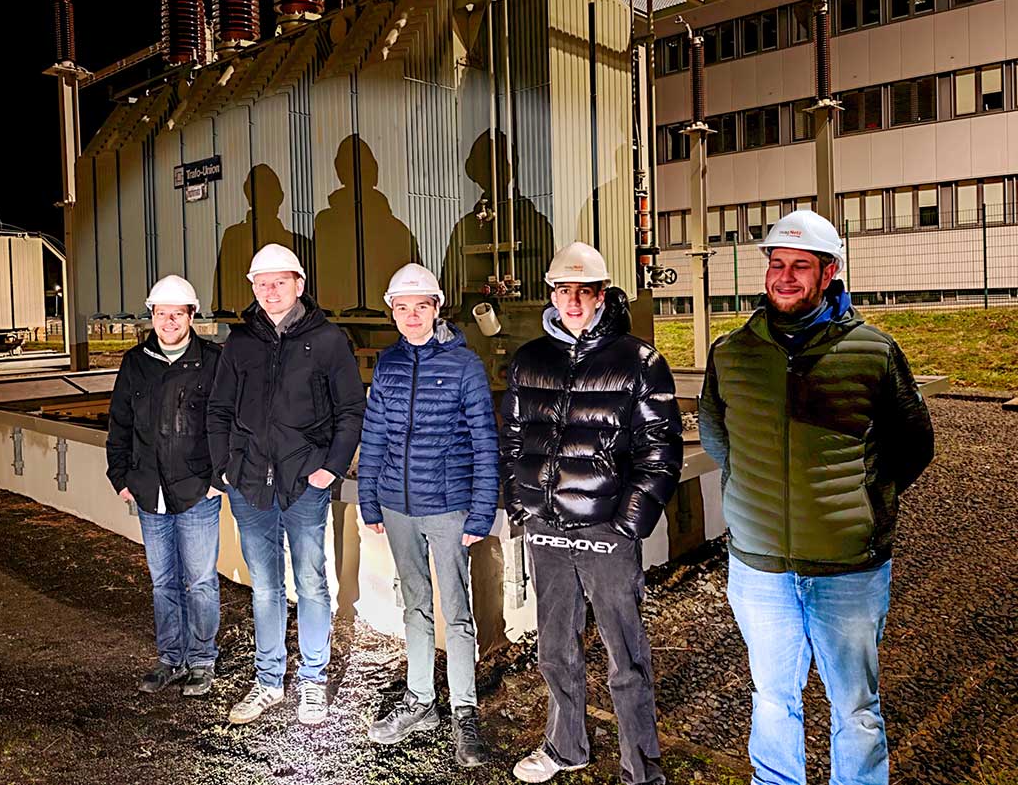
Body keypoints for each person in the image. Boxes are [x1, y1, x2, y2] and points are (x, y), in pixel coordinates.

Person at [698, 210, 934, 785]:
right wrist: (757, 491)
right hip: (759, 568)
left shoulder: (872, 351)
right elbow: (715, 433)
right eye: (777, 264)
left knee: (855, 709)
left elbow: (913, 444)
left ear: (829, 273)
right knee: (773, 699)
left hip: (847, 568)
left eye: (800, 266)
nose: (784, 276)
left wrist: (862, 499)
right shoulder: (732, 352)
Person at [499, 243, 683, 785]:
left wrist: (628, 521)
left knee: (624, 656)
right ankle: (565, 746)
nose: (572, 301)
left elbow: (660, 449)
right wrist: (521, 501)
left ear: (602, 295)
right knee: (556, 648)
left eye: (584, 291)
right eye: (563, 290)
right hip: (547, 525)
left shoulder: (638, 361)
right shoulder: (530, 359)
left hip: (606, 527)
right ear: (552, 295)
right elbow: (513, 438)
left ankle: (641, 769)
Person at [207, 243, 366, 726]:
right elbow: (218, 410)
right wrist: (225, 470)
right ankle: (269, 681)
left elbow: (351, 410)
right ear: (253, 288)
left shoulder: (329, 340)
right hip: (250, 484)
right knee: (265, 589)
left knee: (313, 585)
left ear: (299, 284)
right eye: (261, 283)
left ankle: (313, 681)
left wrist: (330, 468)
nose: (270, 291)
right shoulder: (241, 343)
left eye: (279, 282)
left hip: (305, 483)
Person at [357, 263, 498, 767]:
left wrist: (481, 512)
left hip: (448, 508)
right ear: (392, 312)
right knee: (413, 606)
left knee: (456, 615)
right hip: (397, 506)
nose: (411, 316)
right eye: (402, 307)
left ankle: (464, 711)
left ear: (436, 309)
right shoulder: (389, 364)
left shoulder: (464, 365)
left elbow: (485, 442)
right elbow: (373, 436)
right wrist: (368, 499)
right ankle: (421, 702)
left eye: (421, 306)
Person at [105, 275, 224, 697]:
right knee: (163, 581)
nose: (168, 320)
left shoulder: (212, 361)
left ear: (192, 316)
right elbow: (119, 423)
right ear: (151, 316)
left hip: (196, 491)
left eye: (177, 313)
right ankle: (171, 658)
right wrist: (120, 477)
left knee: (201, 580)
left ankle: (202, 659)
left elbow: (225, 423)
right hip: (148, 489)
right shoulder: (136, 362)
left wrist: (216, 480)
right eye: (160, 313)